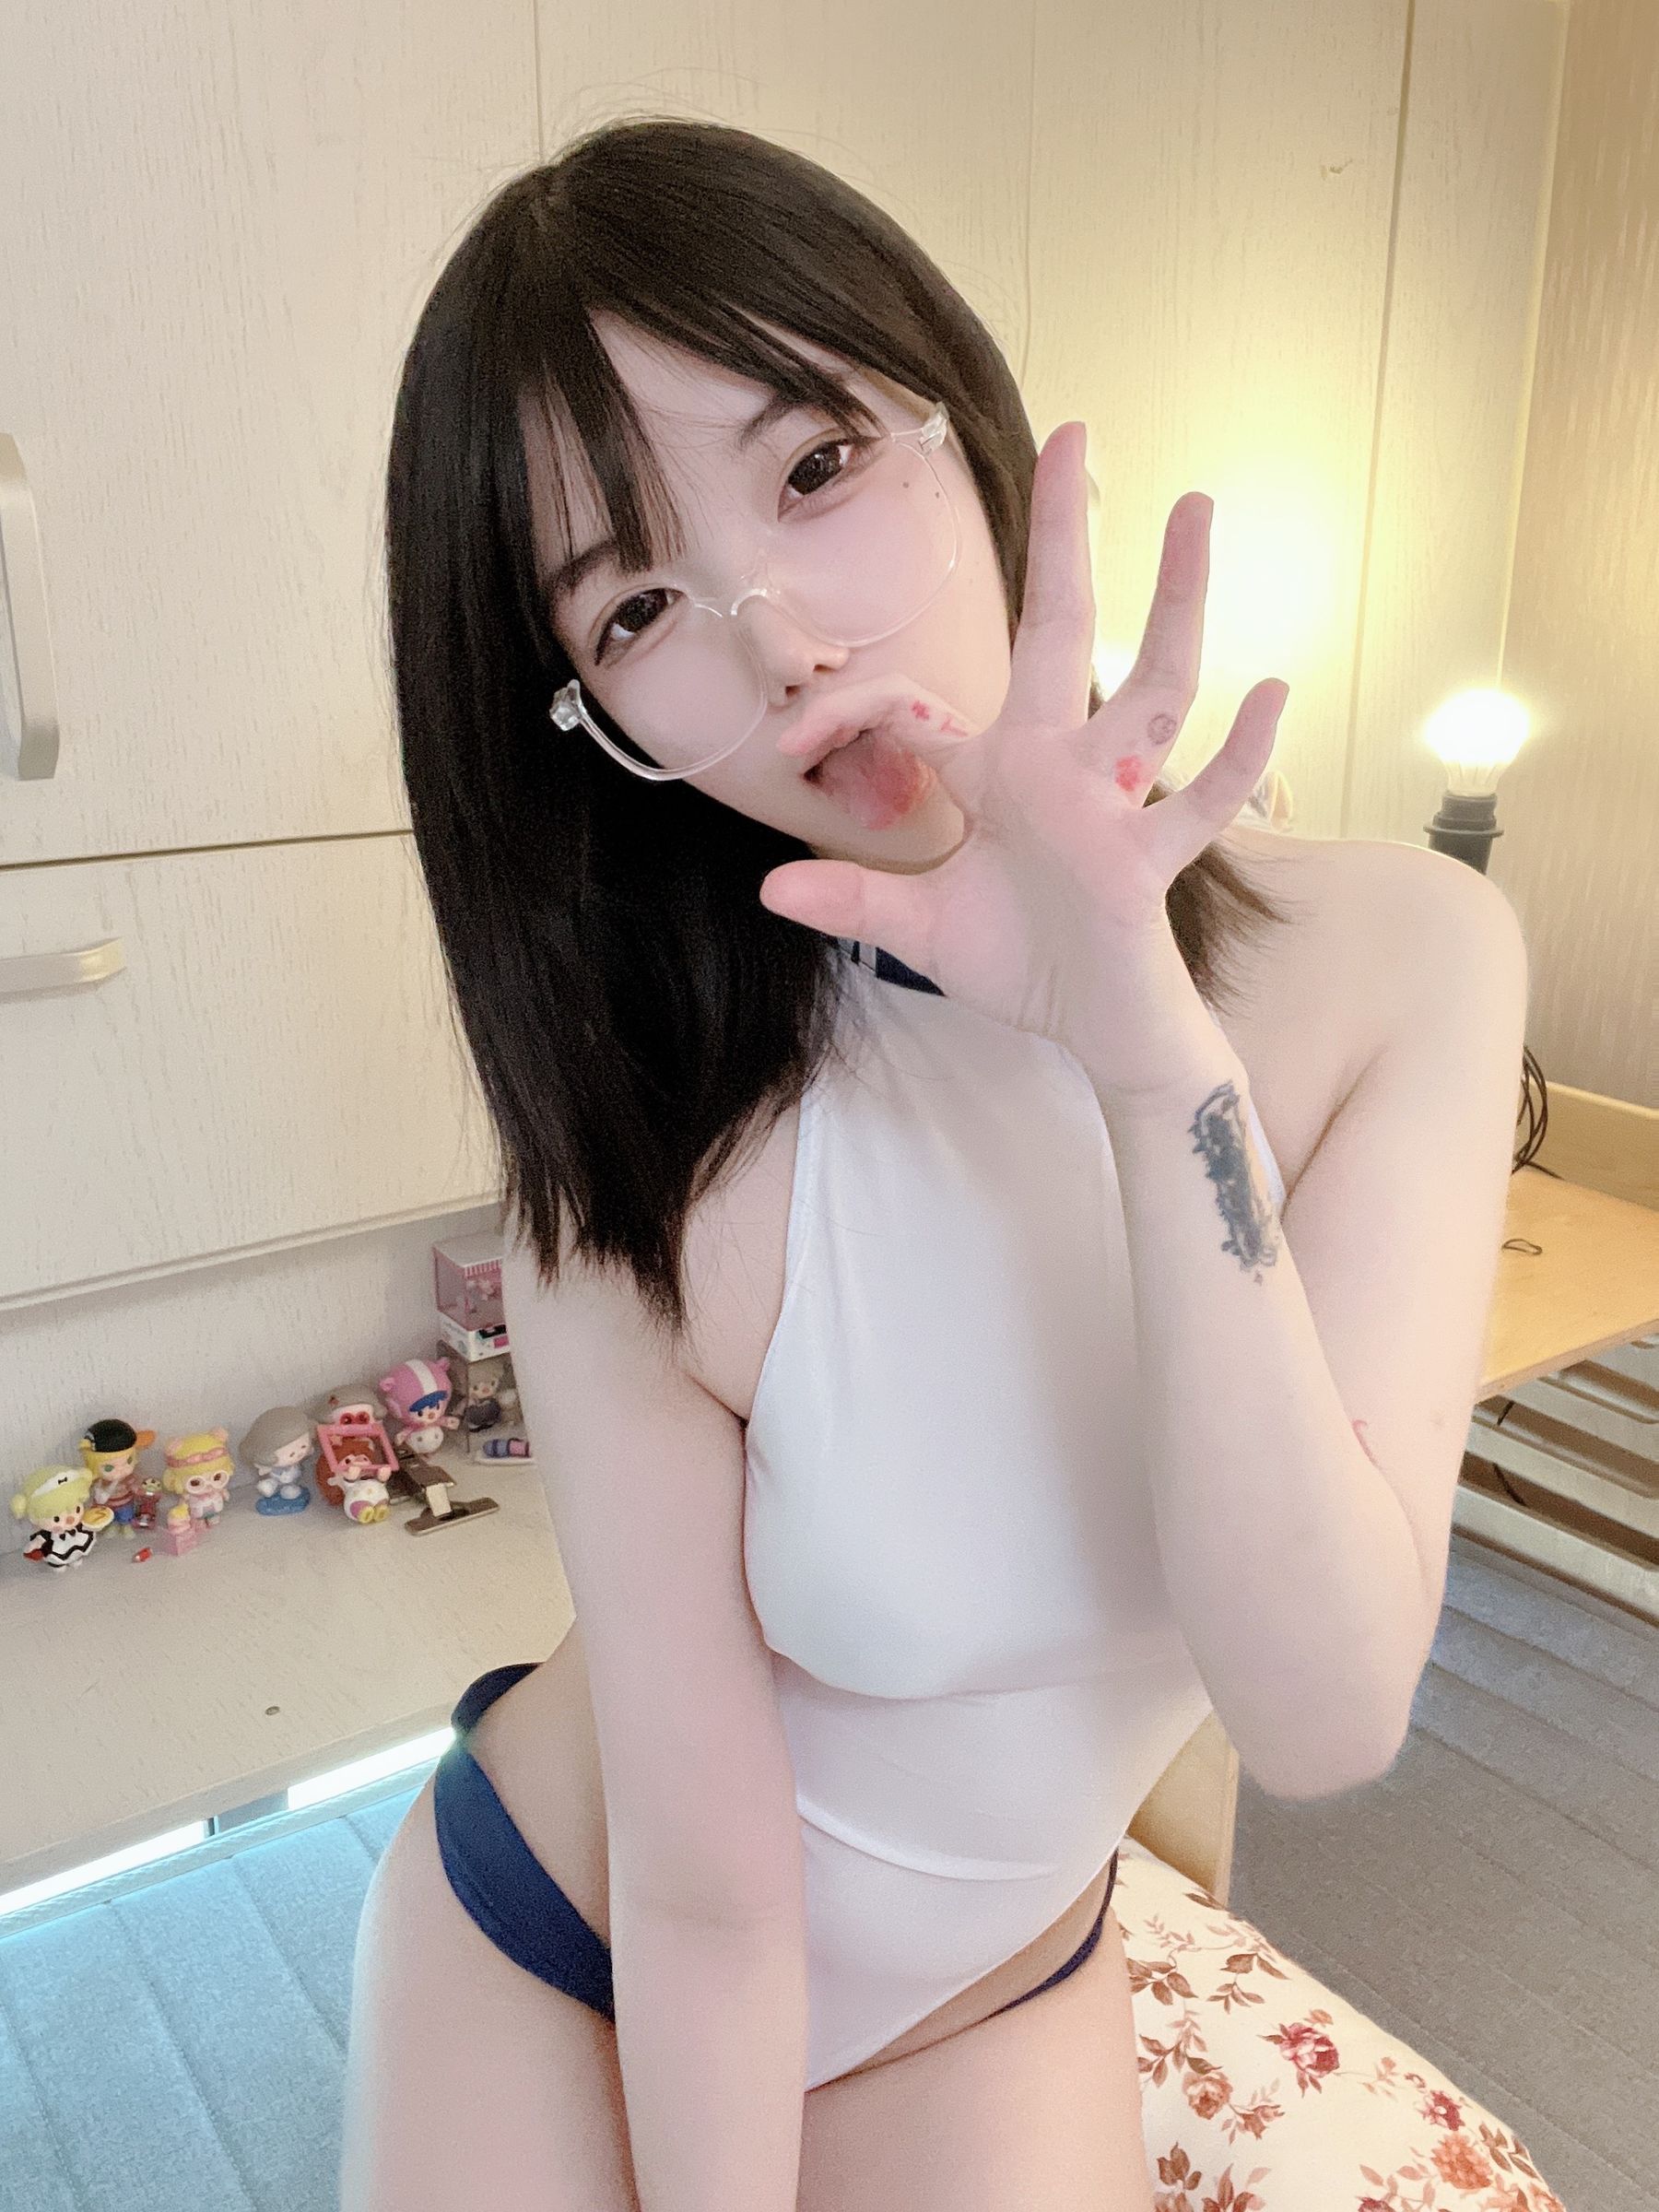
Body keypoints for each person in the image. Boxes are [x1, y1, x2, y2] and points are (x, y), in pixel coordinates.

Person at [341, 115, 1528, 2212]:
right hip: (579, 1949)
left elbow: (1324, 1704)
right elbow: (709, 1902)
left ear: (967, 433)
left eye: (815, 465)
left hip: (989, 1979)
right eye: (638, 607)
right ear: (588, 719)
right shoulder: (651, 1164)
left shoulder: (1407, 959)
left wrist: (1142, 1045)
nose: (783, 642)